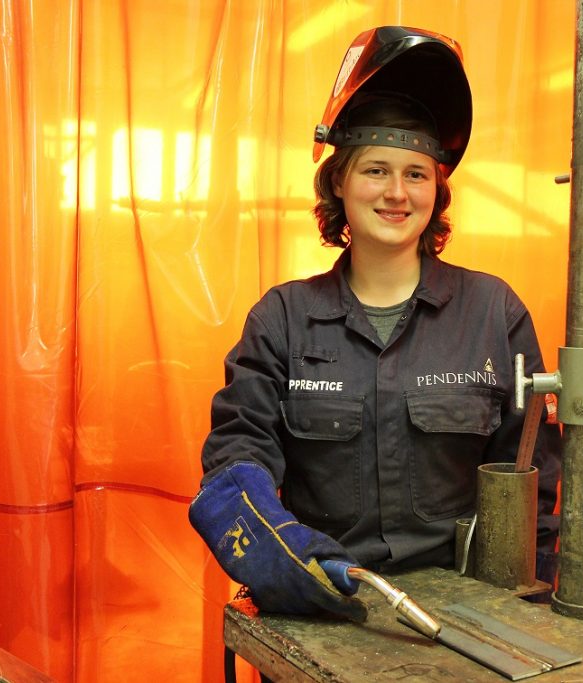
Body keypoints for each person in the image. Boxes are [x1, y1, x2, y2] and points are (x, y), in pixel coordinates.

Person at [189, 26, 560, 621]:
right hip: (323, 603)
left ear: (436, 192)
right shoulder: (283, 319)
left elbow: (534, 481)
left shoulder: (494, 312)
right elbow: (238, 453)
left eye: (416, 174)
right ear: (339, 181)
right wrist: (281, 556)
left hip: (470, 619)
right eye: (375, 170)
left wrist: (530, 609)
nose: (396, 192)